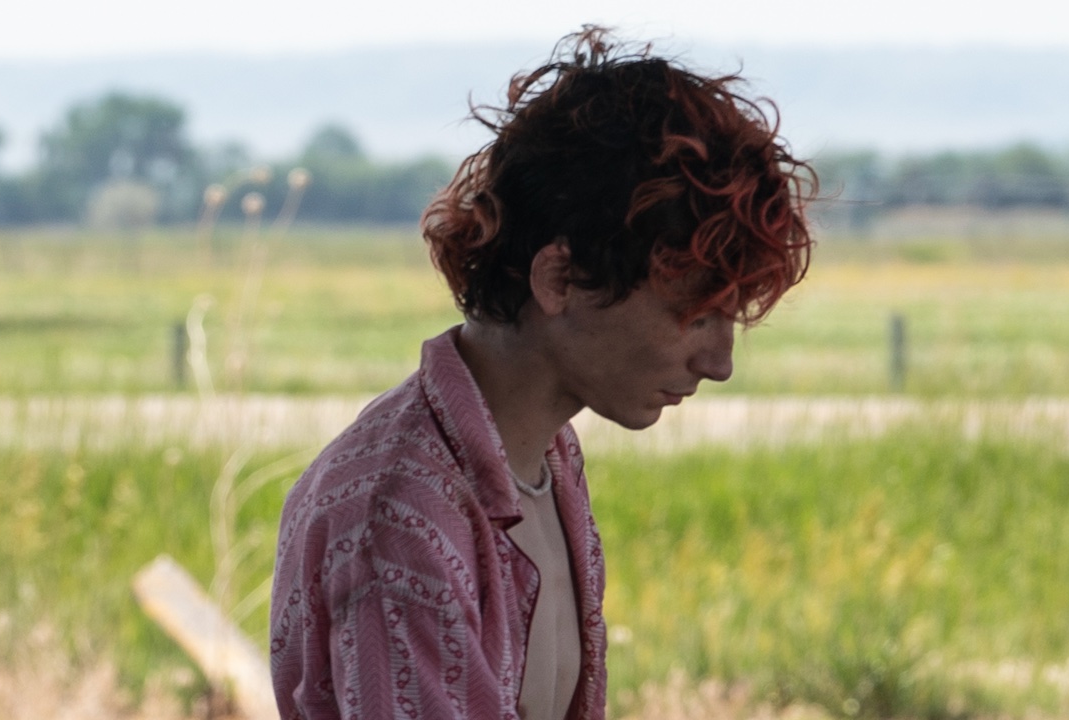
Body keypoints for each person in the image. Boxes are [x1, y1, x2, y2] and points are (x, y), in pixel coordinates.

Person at [269, 25, 816, 720]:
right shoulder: (401, 514)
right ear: (560, 278)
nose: (720, 363)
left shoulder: (546, 455)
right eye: (695, 312)